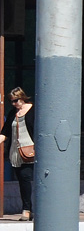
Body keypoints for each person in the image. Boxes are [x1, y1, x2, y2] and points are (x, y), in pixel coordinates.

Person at [3, 87, 34, 221]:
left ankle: (27, 210)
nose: (14, 104)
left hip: (30, 150)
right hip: (15, 152)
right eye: (11, 101)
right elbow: (4, 133)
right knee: (22, 181)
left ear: (22, 97)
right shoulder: (12, 113)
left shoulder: (33, 111)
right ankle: (28, 209)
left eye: (15, 100)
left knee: (27, 179)